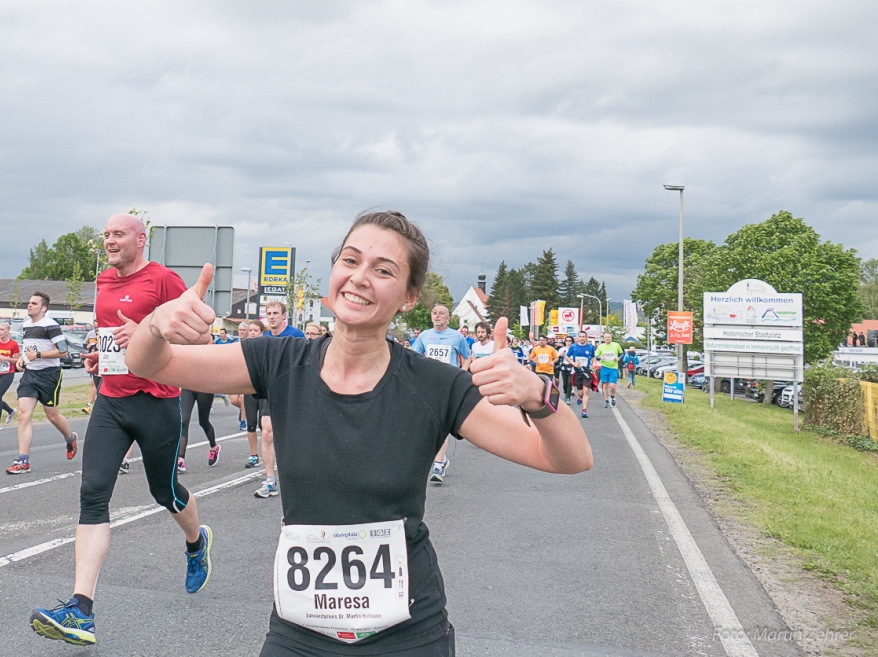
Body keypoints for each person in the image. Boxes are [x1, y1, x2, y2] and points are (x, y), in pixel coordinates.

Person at [125, 210, 591, 655]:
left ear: (409, 297)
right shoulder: (278, 361)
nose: (360, 277)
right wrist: (155, 325)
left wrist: (538, 394)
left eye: (384, 270)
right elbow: (150, 363)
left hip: (407, 632)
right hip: (299, 631)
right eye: (350, 260)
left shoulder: (435, 385)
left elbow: (568, 458)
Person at [29, 214, 212, 646]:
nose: (109, 241)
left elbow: (202, 340)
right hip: (111, 400)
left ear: (140, 239)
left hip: (158, 403)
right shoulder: (102, 282)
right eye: (106, 235)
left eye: (118, 234)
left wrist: (150, 331)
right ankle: (81, 609)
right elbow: (112, 336)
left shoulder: (163, 280)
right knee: (92, 492)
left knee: (164, 493)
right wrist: (102, 357)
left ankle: (196, 540)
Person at [6, 292, 78, 475]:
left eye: (34, 303)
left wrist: (38, 356)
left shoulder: (50, 325)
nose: (29, 305)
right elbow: (28, 346)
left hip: (49, 375)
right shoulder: (26, 324)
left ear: (43, 308)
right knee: (23, 415)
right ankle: (23, 461)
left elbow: (63, 351)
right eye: (29, 302)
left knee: (52, 416)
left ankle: (70, 438)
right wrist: (23, 357)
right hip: (30, 375)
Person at [412, 304, 471, 483]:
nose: (437, 316)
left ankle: (438, 465)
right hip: (428, 384)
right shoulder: (424, 336)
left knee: (441, 424)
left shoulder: (456, 336)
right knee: (427, 425)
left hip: (447, 384)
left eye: (441, 313)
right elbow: (415, 357)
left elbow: (467, 356)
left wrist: (461, 373)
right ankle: (441, 459)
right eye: (434, 313)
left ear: (448, 318)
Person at [254, 301, 306, 499]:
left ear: (284, 316)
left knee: (293, 435)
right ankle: (270, 480)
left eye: (276, 313)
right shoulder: (264, 338)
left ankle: (301, 475)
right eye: (269, 313)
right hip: (272, 389)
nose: (272, 316)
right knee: (266, 432)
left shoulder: (296, 336)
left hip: (294, 389)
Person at [242, 320, 266, 469]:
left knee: (264, 425)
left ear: (261, 333)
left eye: (255, 330)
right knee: (250, 424)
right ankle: (254, 455)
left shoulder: (266, 347)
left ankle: (267, 455)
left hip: (263, 391)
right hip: (249, 389)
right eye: (250, 330)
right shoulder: (243, 348)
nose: (252, 333)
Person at [566, 331, 596, 418]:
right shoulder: (573, 347)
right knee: (580, 392)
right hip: (577, 372)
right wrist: (573, 363)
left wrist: (594, 363)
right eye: (580, 336)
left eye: (584, 336)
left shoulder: (590, 347)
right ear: (578, 338)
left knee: (586, 391)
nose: (582, 338)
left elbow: (593, 357)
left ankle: (584, 410)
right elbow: (567, 357)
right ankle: (580, 397)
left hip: (586, 372)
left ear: (586, 338)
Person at [594, 332, 624, 408]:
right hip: (604, 367)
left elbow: (622, 353)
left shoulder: (616, 345)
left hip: (613, 368)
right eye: (606, 337)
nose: (607, 338)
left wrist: (619, 358)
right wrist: (600, 358)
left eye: (608, 337)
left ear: (611, 338)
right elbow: (596, 356)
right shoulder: (601, 346)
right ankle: (606, 401)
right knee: (605, 385)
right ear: (604, 338)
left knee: (613, 386)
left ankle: (613, 396)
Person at [83, 323, 100, 415]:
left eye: (97, 327)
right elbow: (84, 345)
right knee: (93, 383)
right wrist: (90, 346)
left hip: (104, 365)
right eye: (95, 327)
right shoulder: (90, 334)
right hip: (93, 363)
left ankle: (92, 404)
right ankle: (90, 405)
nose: (96, 328)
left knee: (96, 384)